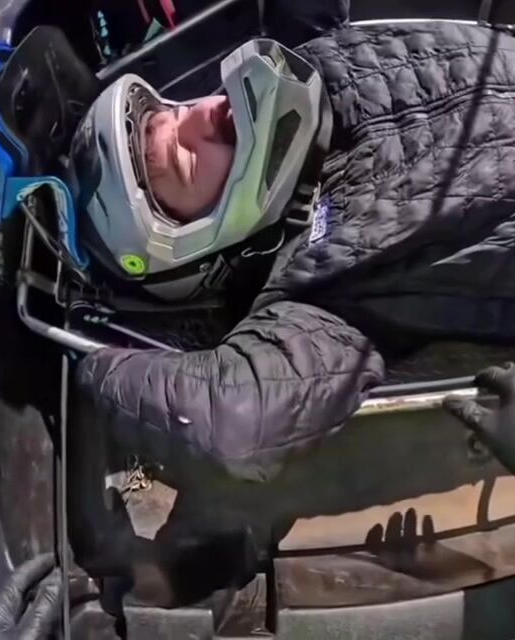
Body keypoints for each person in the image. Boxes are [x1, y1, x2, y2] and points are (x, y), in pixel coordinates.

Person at [71, 18, 515, 482]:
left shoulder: (302, 67)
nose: (204, 114)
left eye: (176, 115)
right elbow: (236, 416)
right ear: (195, 240)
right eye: (186, 160)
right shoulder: (312, 302)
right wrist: (90, 367)